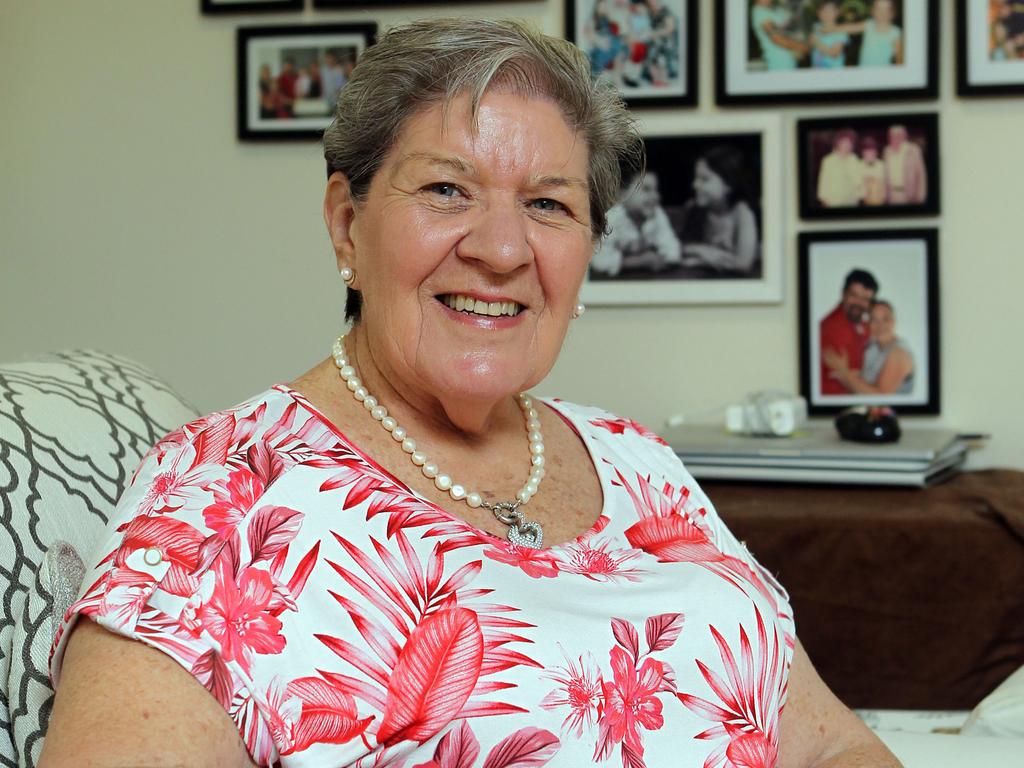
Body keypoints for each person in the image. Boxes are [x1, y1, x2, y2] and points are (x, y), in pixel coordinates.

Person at [41, 18, 900, 768]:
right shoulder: (224, 494)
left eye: (548, 204)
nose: (501, 248)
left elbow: (830, 744)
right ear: (347, 223)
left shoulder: (638, 459)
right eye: (447, 189)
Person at [676, 144, 760, 275]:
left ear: (728, 185)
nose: (695, 185)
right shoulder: (696, 209)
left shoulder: (742, 212)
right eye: (696, 178)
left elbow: (744, 264)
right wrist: (703, 251)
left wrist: (700, 258)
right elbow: (677, 246)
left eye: (705, 179)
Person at [590, 169, 682, 277]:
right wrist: (641, 261)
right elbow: (598, 262)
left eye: (656, 190)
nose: (656, 197)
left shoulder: (656, 214)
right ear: (623, 195)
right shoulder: (611, 219)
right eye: (646, 190)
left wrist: (658, 257)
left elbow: (674, 252)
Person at [823, 300, 914, 394]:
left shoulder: (898, 353)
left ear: (893, 321)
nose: (880, 325)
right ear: (868, 323)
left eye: (885, 319)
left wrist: (844, 373)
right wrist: (845, 373)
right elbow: (864, 381)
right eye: (874, 320)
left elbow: (881, 398)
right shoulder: (872, 347)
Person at [820, 268, 879, 396]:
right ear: (843, 294)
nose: (859, 303)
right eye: (854, 295)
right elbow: (847, 381)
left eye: (865, 299)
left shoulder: (862, 324)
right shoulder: (832, 329)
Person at [750, 0, 810, 70]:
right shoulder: (760, 12)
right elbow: (777, 38)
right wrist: (802, 47)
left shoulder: (776, 9)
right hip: (779, 63)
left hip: (791, 60)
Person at [844, 0, 903, 67]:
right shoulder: (869, 25)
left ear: (893, 13)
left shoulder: (895, 32)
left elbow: (900, 59)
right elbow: (848, 28)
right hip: (863, 72)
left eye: (887, 9)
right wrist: (831, 29)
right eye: (878, 8)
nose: (882, 13)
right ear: (872, 11)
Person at [816, 129, 864, 208]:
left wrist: (859, 197)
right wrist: (824, 202)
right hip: (833, 202)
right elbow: (823, 184)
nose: (847, 145)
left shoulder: (855, 160)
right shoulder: (828, 160)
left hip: (851, 202)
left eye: (849, 143)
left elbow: (859, 183)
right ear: (838, 143)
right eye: (844, 142)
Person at [883, 124, 927, 204]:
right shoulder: (887, 150)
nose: (895, 137)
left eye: (899, 134)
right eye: (892, 135)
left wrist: (920, 198)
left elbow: (921, 175)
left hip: (909, 196)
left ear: (904, 135)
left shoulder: (913, 149)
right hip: (891, 196)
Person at [810, 0, 851, 68]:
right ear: (818, 13)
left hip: (833, 72)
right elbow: (810, 47)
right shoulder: (816, 27)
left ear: (837, 12)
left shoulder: (840, 31)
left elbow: (834, 53)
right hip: (816, 71)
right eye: (824, 11)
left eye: (830, 11)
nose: (827, 14)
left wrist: (817, 43)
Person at [860, 136, 886, 206]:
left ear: (876, 152)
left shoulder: (882, 165)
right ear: (863, 153)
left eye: (872, 151)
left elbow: (885, 185)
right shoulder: (858, 166)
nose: (870, 154)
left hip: (880, 201)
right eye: (867, 152)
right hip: (864, 202)